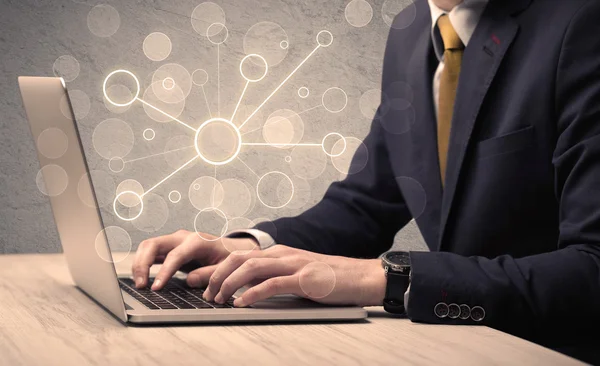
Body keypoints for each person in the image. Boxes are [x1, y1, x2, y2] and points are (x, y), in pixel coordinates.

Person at [132, 0, 600, 362]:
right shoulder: (413, 30)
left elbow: (592, 268)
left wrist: (390, 278)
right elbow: (365, 204)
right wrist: (248, 246)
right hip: (457, 349)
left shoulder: (582, 24)